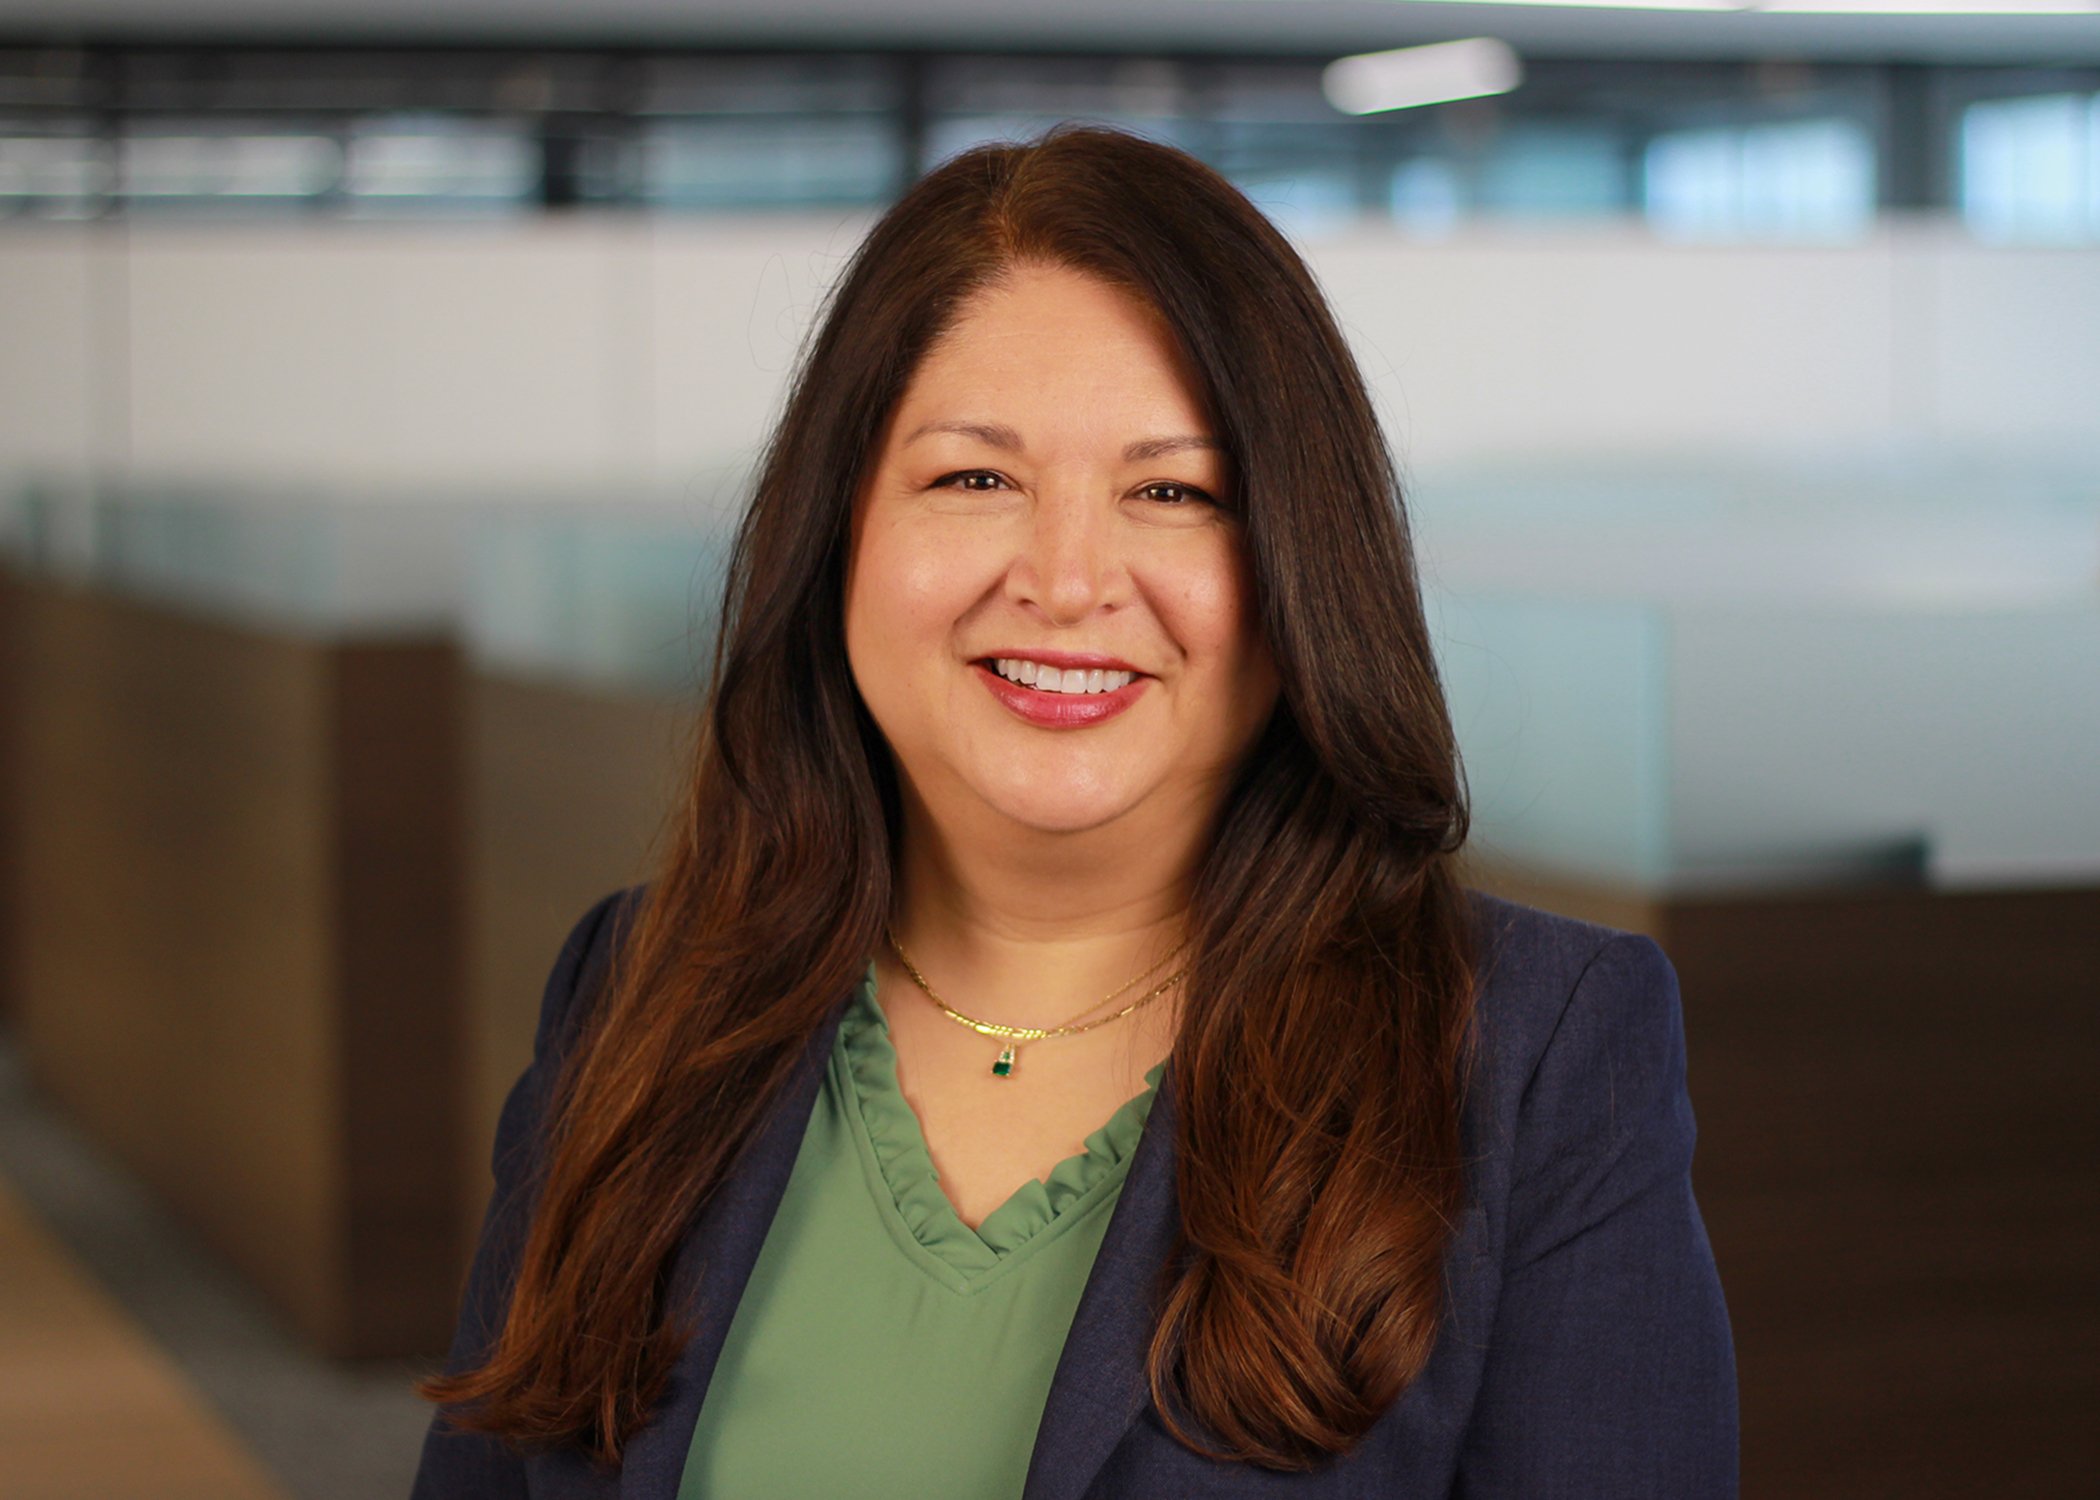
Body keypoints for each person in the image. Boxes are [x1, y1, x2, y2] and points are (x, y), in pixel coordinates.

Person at [412, 124, 1737, 1499]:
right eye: (974, 477)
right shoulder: (641, 990)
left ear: (1298, 567)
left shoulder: (1533, 1056)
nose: (1065, 578)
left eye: (1172, 492)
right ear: (840, 532)